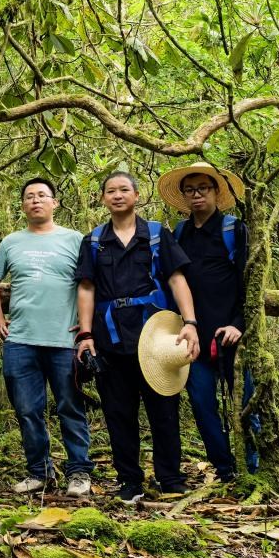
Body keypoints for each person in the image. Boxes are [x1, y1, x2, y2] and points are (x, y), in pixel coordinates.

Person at [74, 171, 200, 503]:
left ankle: (170, 478)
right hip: (110, 339)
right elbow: (86, 288)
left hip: (156, 339)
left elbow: (177, 280)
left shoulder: (157, 235)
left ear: (137, 195)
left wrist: (190, 322)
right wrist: (85, 333)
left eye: (124, 190)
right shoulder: (94, 241)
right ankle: (130, 481)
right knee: (118, 413)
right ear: (103, 198)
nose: (117, 195)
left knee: (164, 410)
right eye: (110, 191)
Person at [0, 178, 94, 497]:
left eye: (42, 195)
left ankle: (78, 472)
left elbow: (88, 284)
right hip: (20, 341)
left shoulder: (75, 239)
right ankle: (39, 472)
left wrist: (87, 327)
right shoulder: (10, 242)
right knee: (27, 409)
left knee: (70, 408)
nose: (36, 200)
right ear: (22, 205)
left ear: (54, 203)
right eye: (29, 196)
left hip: (65, 340)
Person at [156, 161, 260, 481]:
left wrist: (238, 324)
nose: (197, 194)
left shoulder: (234, 230)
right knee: (202, 405)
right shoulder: (179, 233)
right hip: (193, 339)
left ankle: (253, 468)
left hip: (232, 335)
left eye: (203, 188)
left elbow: (252, 285)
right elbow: (171, 283)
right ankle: (226, 468)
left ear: (217, 191)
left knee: (246, 406)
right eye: (190, 190)